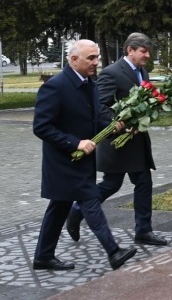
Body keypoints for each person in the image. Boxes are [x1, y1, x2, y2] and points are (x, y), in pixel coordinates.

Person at [31, 39, 137, 272]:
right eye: (91, 58)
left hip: (83, 159)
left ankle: (43, 257)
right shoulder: (55, 86)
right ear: (73, 59)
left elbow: (95, 120)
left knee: (59, 206)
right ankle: (114, 252)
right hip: (62, 161)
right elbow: (41, 127)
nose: (96, 62)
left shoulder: (90, 84)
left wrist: (118, 127)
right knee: (89, 200)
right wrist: (75, 143)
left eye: (97, 57)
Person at [66, 32, 168, 247]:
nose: (147, 55)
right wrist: (119, 122)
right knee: (111, 184)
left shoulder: (143, 72)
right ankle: (77, 210)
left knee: (144, 183)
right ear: (130, 50)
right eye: (143, 51)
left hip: (137, 139)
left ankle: (144, 231)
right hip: (117, 141)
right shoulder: (111, 72)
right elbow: (100, 105)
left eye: (148, 52)